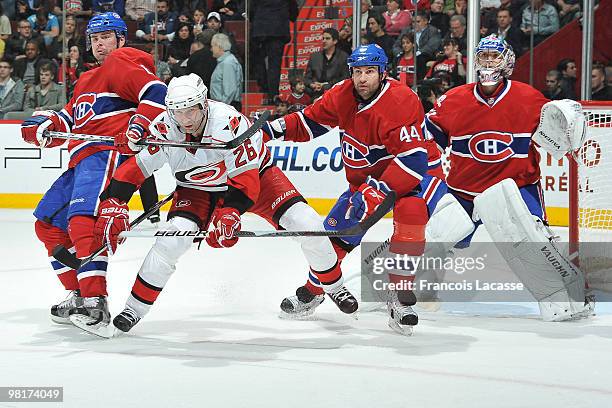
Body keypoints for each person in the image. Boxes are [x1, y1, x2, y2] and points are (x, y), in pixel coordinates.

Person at [91, 73, 357, 334]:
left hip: (257, 180)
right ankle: (133, 309)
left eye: (191, 110)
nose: (185, 120)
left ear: (204, 103)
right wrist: (114, 201)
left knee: (307, 223)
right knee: (169, 242)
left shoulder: (230, 123)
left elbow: (247, 181)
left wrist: (230, 213)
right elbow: (136, 168)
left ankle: (333, 287)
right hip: (197, 189)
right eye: (178, 112)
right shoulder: (164, 126)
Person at [262, 44, 445, 336]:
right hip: (362, 183)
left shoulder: (402, 100)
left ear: (383, 73)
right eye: (357, 72)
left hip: (407, 178)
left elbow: (413, 160)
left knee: (412, 216)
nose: (362, 79)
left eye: (369, 72)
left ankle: (399, 296)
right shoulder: (342, 94)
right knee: (334, 240)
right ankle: (315, 291)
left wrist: (378, 191)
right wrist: (271, 130)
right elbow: (310, 122)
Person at [424, 35, 593, 322]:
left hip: (517, 187)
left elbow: (557, 141)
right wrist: (429, 177)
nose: (488, 62)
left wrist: (569, 133)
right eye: (484, 56)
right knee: (437, 237)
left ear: (508, 63)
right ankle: (422, 292)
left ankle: (570, 294)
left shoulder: (529, 98)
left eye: (495, 56)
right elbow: (427, 141)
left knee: (535, 240)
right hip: (464, 190)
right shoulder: (452, 100)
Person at [19, 12, 168, 333]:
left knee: (82, 221)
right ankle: (77, 294)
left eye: (106, 37)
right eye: (95, 39)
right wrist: (45, 124)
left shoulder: (121, 62)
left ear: (121, 39)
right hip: (80, 161)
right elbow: (73, 120)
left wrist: (139, 123)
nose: (99, 44)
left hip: (105, 156)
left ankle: (95, 301)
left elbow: (156, 93)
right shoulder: (87, 79)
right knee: (47, 225)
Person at [304, 28, 349, 99]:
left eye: (327, 38)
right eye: (323, 38)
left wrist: (325, 85)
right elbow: (307, 78)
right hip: (316, 93)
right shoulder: (314, 57)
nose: (324, 41)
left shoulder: (343, 57)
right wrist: (312, 85)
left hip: (335, 93)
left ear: (335, 41)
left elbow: (345, 78)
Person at [209, 32, 242, 111]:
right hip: (224, 105)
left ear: (219, 46)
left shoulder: (228, 63)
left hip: (227, 106)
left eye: (212, 46)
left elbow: (230, 90)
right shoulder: (226, 62)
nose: (211, 49)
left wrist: (222, 108)